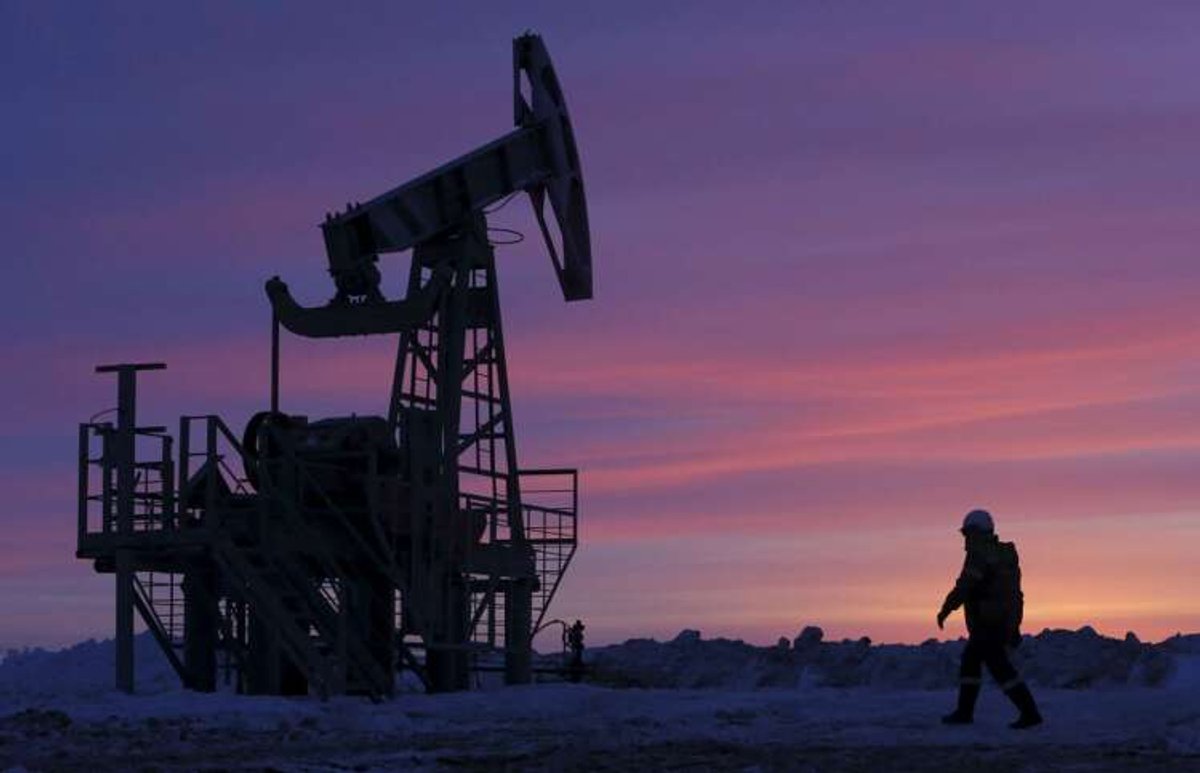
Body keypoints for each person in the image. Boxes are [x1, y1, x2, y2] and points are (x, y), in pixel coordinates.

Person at [937, 509, 1042, 729]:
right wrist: (1013, 626)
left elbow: (965, 585)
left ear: (977, 532)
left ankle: (1029, 713)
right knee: (972, 661)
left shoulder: (979, 554)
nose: (965, 539)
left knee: (998, 667)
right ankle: (965, 712)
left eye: (967, 533)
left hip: (987, 623)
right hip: (1002, 621)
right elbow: (1015, 595)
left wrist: (946, 608)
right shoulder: (1005, 555)